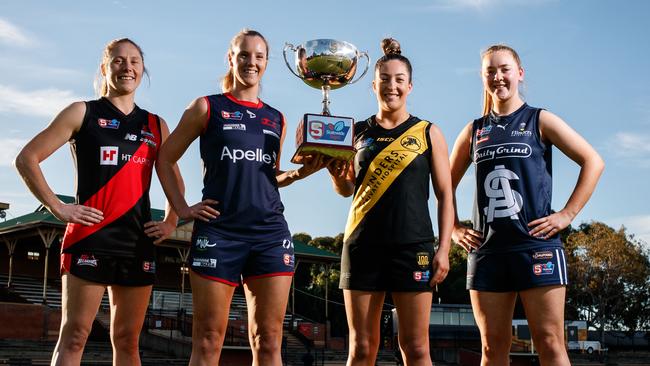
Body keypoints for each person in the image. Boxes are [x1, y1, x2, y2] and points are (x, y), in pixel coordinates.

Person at [155, 29, 327, 366]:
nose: (251, 62)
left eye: (259, 56)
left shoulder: (275, 117)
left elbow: (270, 175)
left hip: (269, 233)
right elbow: (164, 158)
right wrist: (181, 208)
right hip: (220, 232)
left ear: (266, 63)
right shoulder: (207, 107)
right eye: (244, 55)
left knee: (269, 340)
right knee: (207, 340)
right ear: (230, 58)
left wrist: (299, 173)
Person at [14, 38, 181, 365]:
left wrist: (173, 220)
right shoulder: (83, 112)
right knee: (75, 334)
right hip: (90, 237)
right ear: (105, 68)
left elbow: (173, 176)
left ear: (142, 69)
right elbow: (27, 159)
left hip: (137, 242)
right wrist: (57, 206)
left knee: (128, 341)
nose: (127, 67)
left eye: (134, 60)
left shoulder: (156, 125)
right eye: (118, 60)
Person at [448, 44, 605, 366]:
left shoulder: (539, 119)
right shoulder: (474, 130)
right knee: (492, 349)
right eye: (490, 71)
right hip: (487, 251)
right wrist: (452, 228)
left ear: (519, 74)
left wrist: (567, 214)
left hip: (536, 247)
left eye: (504, 69)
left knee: (550, 343)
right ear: (482, 78)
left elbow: (593, 161)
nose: (498, 76)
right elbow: (443, 184)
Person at [327, 38, 454, 366]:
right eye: (385, 79)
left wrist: (443, 250)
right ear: (373, 85)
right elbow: (345, 190)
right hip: (362, 247)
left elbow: (445, 195)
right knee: (361, 349)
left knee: (415, 349)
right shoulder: (355, 132)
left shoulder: (428, 133)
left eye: (399, 80)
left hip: (412, 248)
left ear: (410, 86)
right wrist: (335, 173)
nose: (392, 86)